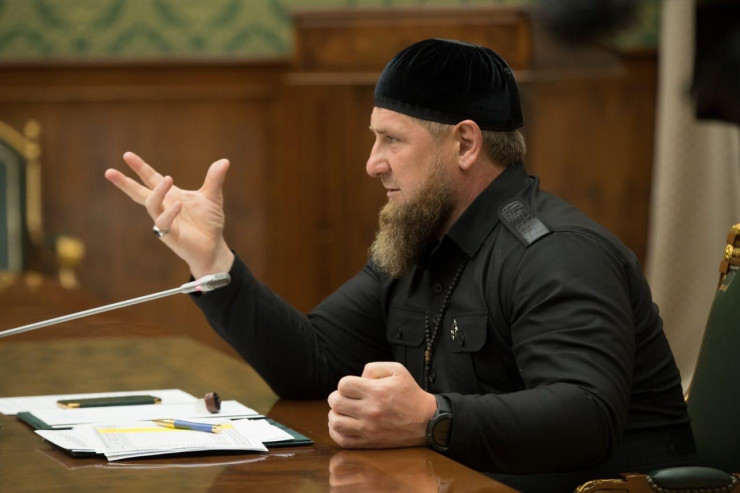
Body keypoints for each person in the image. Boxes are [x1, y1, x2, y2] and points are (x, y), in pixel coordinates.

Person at [105, 39, 696, 491]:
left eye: (392, 140)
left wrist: (432, 417)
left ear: (465, 143)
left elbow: (586, 416)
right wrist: (212, 261)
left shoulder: (557, 251)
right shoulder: (418, 240)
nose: (372, 163)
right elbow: (314, 364)